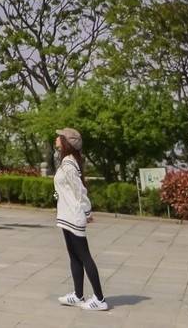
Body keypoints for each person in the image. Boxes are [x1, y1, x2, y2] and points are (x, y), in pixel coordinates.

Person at [54, 127, 108, 311]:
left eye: (59, 137)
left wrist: (86, 212)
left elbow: (80, 190)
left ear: (66, 142)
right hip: (66, 215)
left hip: (74, 215)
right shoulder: (66, 161)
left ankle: (100, 299)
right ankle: (78, 295)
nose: (56, 138)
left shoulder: (69, 164)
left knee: (84, 256)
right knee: (74, 257)